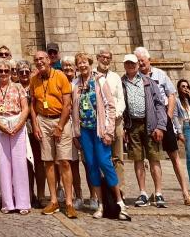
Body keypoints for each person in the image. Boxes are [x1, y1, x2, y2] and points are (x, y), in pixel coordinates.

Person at [134, 47, 190, 206]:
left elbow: (171, 95)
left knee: (174, 156)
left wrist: (167, 118)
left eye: (143, 60)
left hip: (164, 118)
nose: (141, 63)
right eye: (138, 61)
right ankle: (156, 192)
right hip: (146, 120)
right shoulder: (135, 77)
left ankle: (186, 193)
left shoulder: (160, 74)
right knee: (152, 157)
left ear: (149, 60)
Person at [72, 53, 127, 219]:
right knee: (91, 166)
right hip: (85, 131)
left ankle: (119, 201)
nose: (82, 65)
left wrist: (109, 131)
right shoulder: (75, 83)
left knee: (105, 163)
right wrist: (75, 133)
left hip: (99, 129)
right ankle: (101, 204)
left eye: (85, 62)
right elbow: (73, 110)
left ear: (90, 64)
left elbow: (110, 105)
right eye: (79, 63)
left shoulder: (99, 80)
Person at [29, 50, 77, 218]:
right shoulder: (34, 79)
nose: (39, 62)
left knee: (64, 161)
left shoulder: (60, 76)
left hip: (60, 120)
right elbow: (33, 105)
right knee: (48, 162)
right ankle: (54, 200)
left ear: (49, 60)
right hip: (43, 120)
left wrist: (60, 126)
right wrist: (35, 125)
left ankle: (69, 202)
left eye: (42, 59)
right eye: (36, 60)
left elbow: (67, 104)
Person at [121, 53, 167, 207]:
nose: (130, 65)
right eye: (128, 63)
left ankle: (158, 193)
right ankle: (143, 193)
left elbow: (159, 104)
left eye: (133, 63)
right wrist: (124, 128)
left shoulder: (148, 81)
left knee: (154, 158)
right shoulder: (121, 83)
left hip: (150, 124)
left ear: (137, 65)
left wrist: (160, 126)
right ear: (124, 65)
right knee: (138, 159)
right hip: (132, 126)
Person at [0, 58, 30, 214]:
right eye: (0, 71)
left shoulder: (18, 87)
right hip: (1, 126)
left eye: (7, 70)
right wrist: (2, 127)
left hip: (17, 124)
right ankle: (7, 203)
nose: (4, 73)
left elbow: (25, 108)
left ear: (11, 72)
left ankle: (23, 202)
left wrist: (18, 125)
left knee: (20, 164)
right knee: (4, 165)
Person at [96, 47, 125, 194]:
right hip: (99, 123)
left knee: (118, 157)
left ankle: (119, 191)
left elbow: (120, 99)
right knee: (102, 157)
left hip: (116, 121)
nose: (105, 60)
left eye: (108, 58)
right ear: (98, 58)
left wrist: (114, 115)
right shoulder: (92, 76)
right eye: (103, 57)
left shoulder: (115, 77)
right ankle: (106, 192)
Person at [17, 59, 43, 208]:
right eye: (21, 72)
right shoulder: (14, 87)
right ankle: (28, 193)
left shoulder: (35, 85)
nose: (24, 74)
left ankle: (41, 194)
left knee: (39, 162)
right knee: (25, 162)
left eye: (27, 71)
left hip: (35, 126)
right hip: (21, 128)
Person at [61, 55, 85, 210]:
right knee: (70, 163)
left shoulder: (78, 83)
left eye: (70, 65)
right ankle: (76, 195)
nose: (68, 68)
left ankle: (92, 196)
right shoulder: (61, 83)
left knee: (87, 163)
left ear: (75, 68)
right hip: (66, 126)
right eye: (65, 66)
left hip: (81, 126)